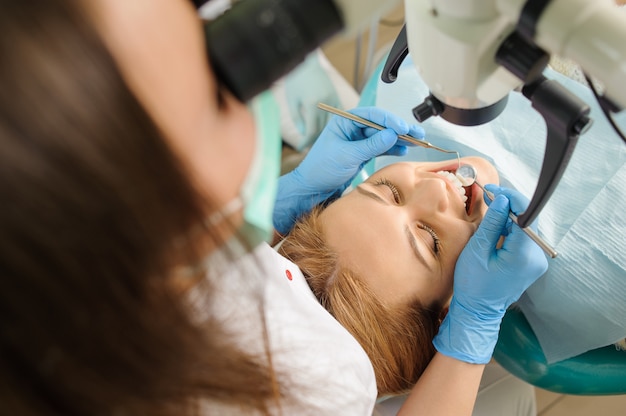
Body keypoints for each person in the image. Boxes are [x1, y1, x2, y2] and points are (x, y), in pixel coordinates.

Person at [0, 1, 547, 415]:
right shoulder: (326, 379)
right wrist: (474, 331)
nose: (436, 191)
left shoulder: (110, 289)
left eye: (381, 190)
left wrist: (297, 192)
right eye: (216, 93)